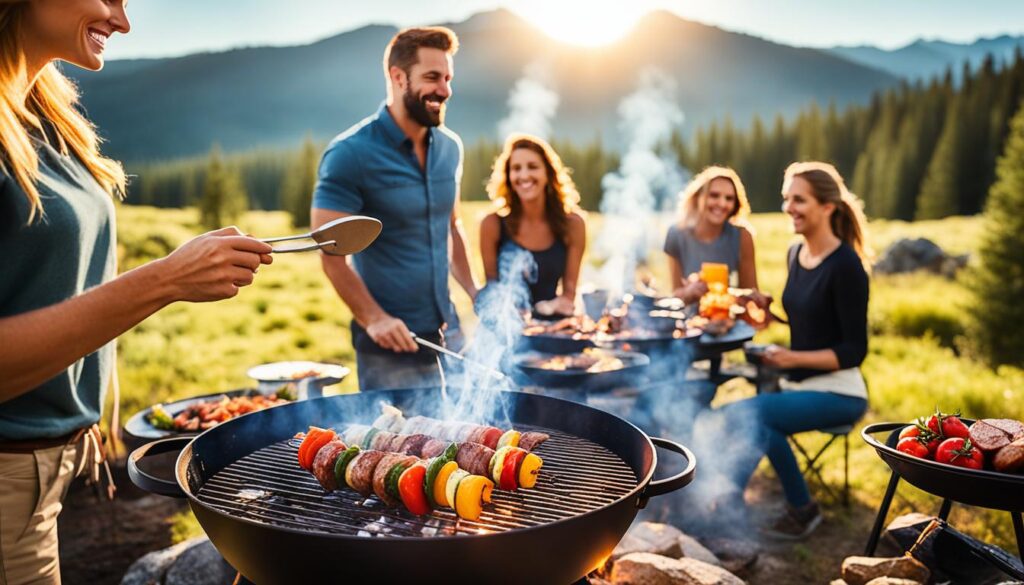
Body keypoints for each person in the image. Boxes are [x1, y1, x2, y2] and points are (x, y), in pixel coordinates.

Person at [0, 1, 273, 582]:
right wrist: (167, 278)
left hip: (47, 477)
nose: (122, 21)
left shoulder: (42, 111)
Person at [694, 161, 870, 540]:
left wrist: (791, 358)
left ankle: (792, 508)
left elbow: (854, 349)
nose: (789, 207)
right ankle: (728, 505)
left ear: (828, 207)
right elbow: (812, 322)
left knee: (748, 415)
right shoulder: (796, 253)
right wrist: (768, 319)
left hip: (840, 390)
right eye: (786, 198)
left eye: (799, 199)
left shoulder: (847, 266)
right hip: (798, 384)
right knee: (759, 419)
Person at [311, 27, 478, 391]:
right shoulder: (349, 154)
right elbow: (330, 254)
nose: (444, 90)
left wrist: (475, 293)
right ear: (397, 77)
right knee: (402, 445)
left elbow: (452, 226)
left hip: (449, 329)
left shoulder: (451, 148)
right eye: (432, 77)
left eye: (448, 78)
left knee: (469, 438)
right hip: (390, 344)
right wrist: (375, 319)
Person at [479, 133, 586, 317]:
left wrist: (551, 307)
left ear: (548, 173)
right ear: (508, 175)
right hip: (508, 328)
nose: (524, 175)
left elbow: (569, 297)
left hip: (553, 328)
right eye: (516, 168)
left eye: (533, 167)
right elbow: (493, 291)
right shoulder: (492, 224)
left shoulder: (573, 224)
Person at [664, 166, 757, 303]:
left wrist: (725, 293)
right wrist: (688, 292)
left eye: (729, 198)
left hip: (727, 317)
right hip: (688, 316)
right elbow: (674, 294)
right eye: (714, 195)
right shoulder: (676, 234)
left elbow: (751, 294)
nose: (722, 203)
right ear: (698, 197)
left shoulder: (742, 236)